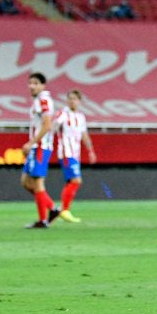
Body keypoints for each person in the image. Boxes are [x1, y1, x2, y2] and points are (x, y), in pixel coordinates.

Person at [21, 72, 60, 228]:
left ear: (43, 85)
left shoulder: (43, 100)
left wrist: (31, 143)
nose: (31, 86)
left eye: (36, 83)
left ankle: (43, 219)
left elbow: (47, 125)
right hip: (38, 147)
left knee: (37, 183)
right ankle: (52, 209)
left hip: (40, 147)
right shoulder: (39, 100)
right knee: (26, 182)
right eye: (30, 83)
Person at [52, 89, 96, 223]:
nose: (72, 101)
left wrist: (91, 151)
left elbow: (84, 135)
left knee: (71, 182)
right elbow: (54, 126)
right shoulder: (63, 114)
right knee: (76, 180)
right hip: (66, 152)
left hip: (75, 153)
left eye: (74, 99)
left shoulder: (81, 117)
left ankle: (62, 210)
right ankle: (64, 210)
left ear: (79, 101)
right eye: (69, 98)